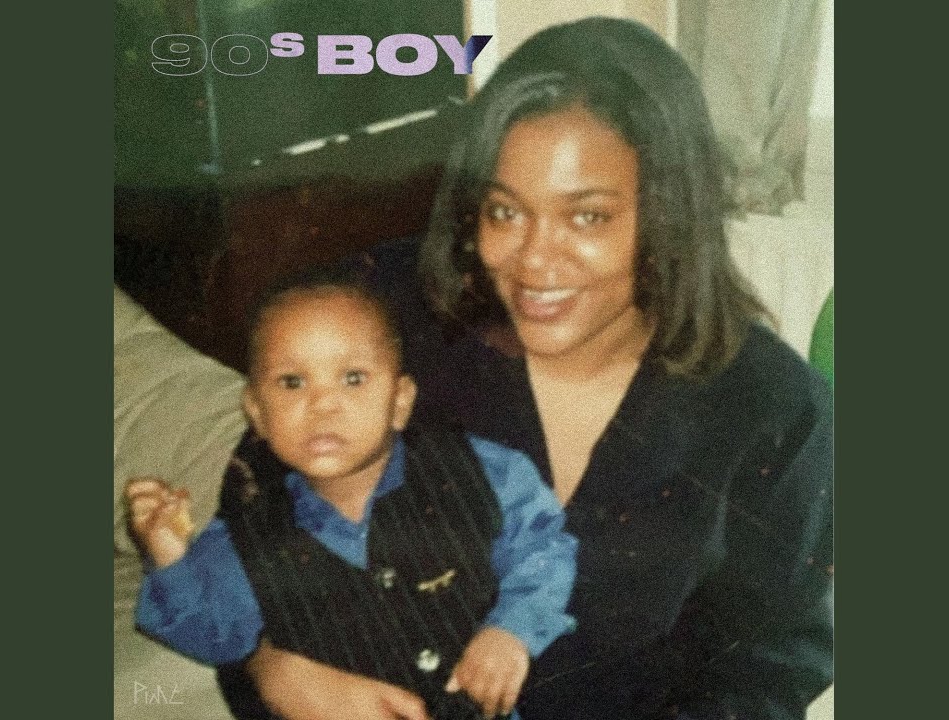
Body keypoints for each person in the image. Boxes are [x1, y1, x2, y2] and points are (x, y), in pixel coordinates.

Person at [239, 16, 834, 720]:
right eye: (504, 212)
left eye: (587, 217)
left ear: (668, 216)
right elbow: (251, 514)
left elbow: (772, 661)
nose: (533, 261)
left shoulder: (772, 404)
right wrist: (269, 667)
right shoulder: (384, 321)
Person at [126, 275, 579, 720]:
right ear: (257, 413)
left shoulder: (480, 472)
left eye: (353, 378)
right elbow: (218, 637)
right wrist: (168, 555)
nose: (323, 404)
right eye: (292, 382)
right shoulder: (248, 529)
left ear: (399, 401)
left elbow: (544, 548)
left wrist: (512, 630)